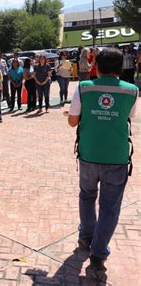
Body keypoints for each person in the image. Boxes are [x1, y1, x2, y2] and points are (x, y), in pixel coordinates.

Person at [68, 48, 138, 281]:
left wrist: (80, 115)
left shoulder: (84, 87)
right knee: (110, 207)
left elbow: (72, 122)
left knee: (87, 196)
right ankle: (98, 255)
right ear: (120, 67)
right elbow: (130, 117)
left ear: (96, 65)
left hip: (88, 154)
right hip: (116, 157)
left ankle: (87, 237)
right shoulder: (132, 91)